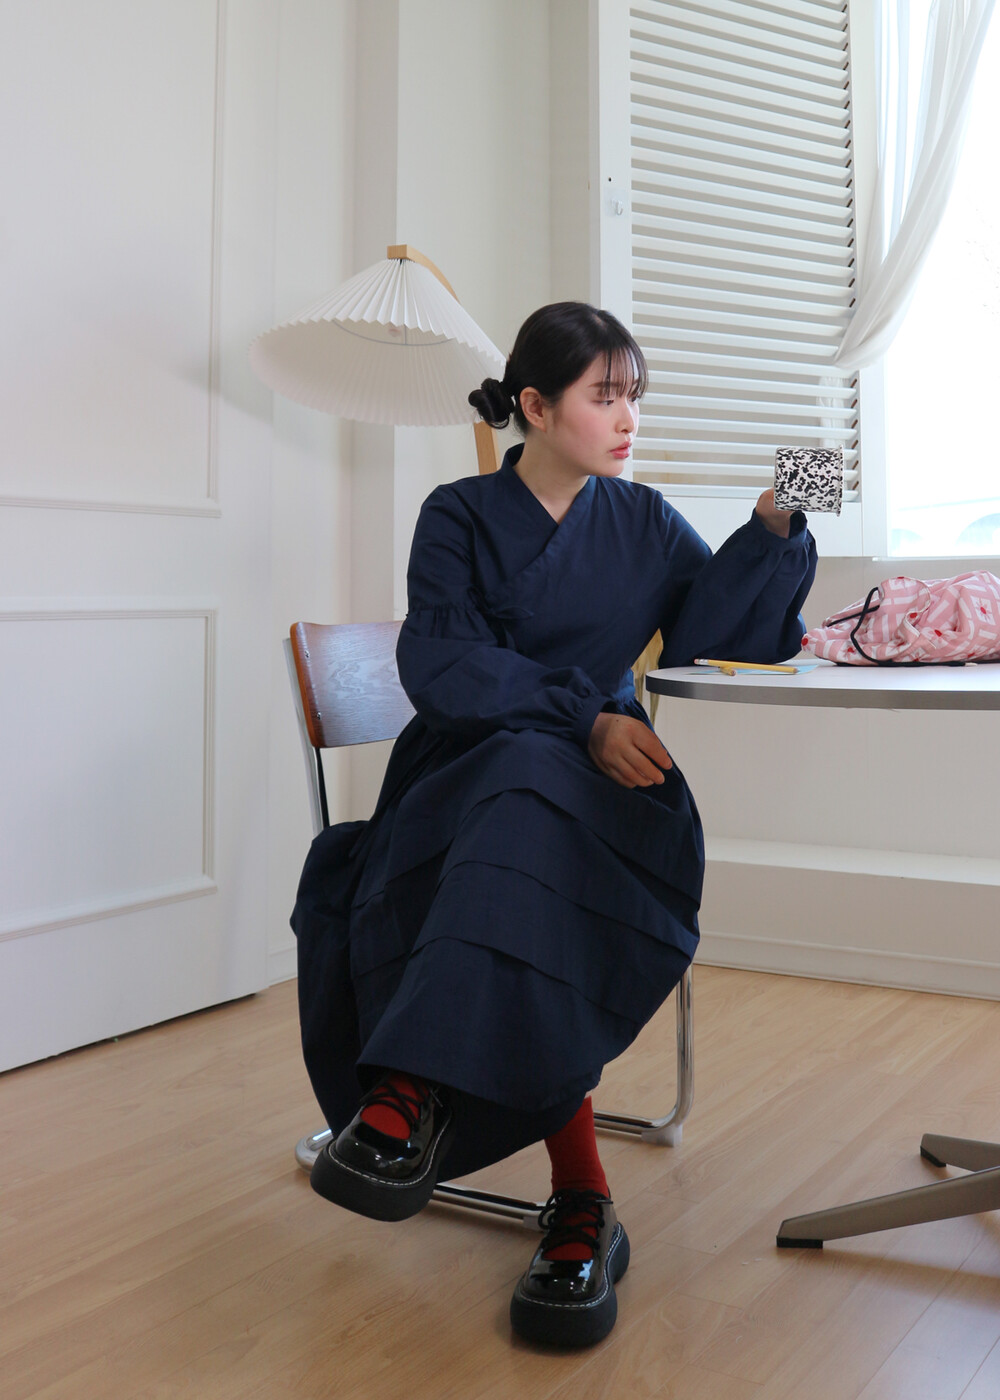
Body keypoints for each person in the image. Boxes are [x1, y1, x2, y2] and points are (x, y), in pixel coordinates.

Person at [291, 302, 817, 1348]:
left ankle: (415, 1092)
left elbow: (709, 631)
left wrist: (772, 527)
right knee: (519, 803)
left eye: (635, 397)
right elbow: (443, 663)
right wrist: (582, 716)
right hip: (459, 783)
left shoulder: (644, 519)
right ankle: (581, 1197)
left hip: (601, 795)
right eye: (604, 395)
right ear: (534, 406)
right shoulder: (456, 512)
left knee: (535, 819)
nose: (628, 419)